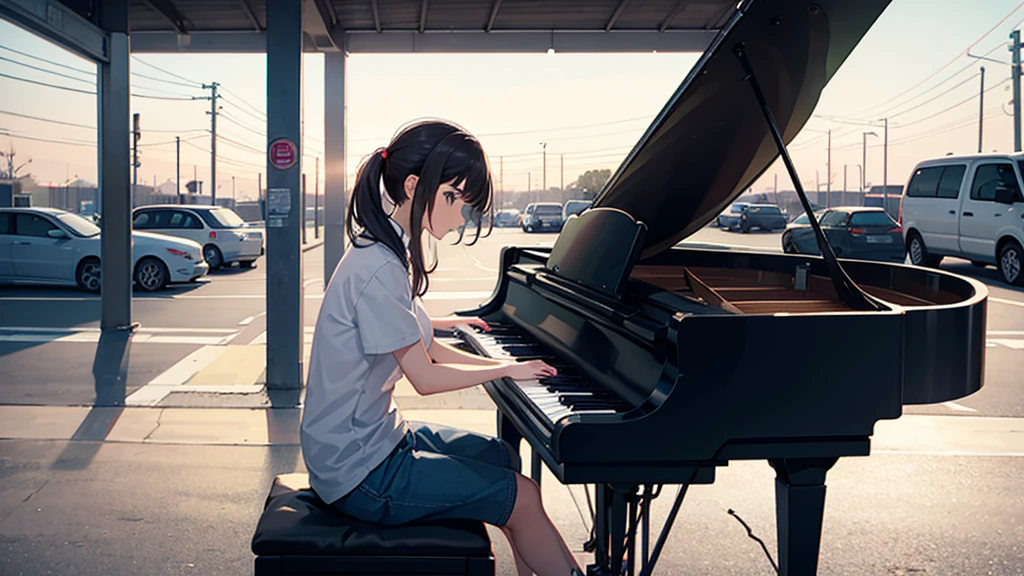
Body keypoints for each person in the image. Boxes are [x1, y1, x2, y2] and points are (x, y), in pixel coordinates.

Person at [301, 120, 584, 576]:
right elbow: (426, 376)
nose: (460, 216)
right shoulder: (379, 268)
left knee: (503, 458)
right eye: (454, 198)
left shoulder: (388, 248)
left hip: (374, 441)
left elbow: (418, 336)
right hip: (360, 472)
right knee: (524, 495)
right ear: (413, 186)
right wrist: (505, 370)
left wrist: (478, 344)